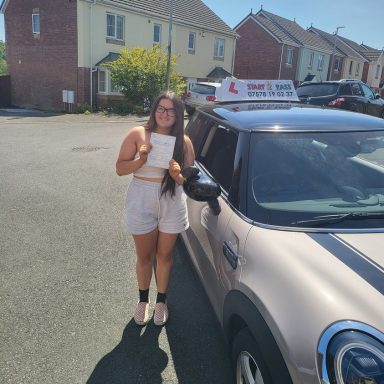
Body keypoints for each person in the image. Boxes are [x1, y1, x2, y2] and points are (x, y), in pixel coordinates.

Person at [116, 91, 195, 326]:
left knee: (165, 256)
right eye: (161, 108)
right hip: (142, 196)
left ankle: (161, 301)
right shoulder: (138, 133)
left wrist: (177, 175)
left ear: (178, 114)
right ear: (154, 110)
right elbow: (120, 168)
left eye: (171, 110)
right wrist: (140, 160)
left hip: (171, 199)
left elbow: (189, 182)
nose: (165, 114)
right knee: (144, 256)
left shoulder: (184, 140)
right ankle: (143, 300)